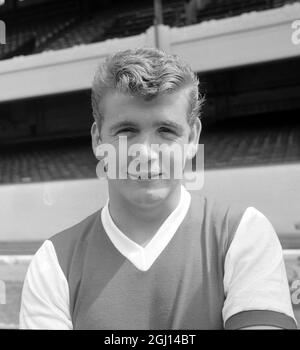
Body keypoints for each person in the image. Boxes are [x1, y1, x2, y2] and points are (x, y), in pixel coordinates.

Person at [19, 48, 297, 330]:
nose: (146, 153)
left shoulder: (242, 234)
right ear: (97, 139)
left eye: (166, 130)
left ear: (193, 137)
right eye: (126, 130)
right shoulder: (54, 262)